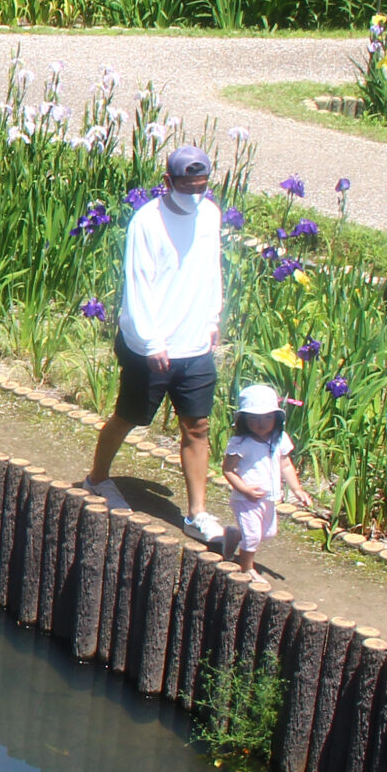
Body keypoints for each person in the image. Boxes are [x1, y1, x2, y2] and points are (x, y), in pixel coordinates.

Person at [83, 144, 224, 544]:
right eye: (187, 185)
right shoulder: (147, 222)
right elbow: (139, 282)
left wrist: (212, 318)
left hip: (194, 343)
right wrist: (152, 341)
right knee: (129, 417)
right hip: (150, 345)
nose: (194, 193)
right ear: (168, 181)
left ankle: (196, 513)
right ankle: (97, 478)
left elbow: (211, 269)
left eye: (201, 185)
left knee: (197, 426)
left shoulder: (210, 215)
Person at [222, 383, 314, 575]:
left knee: (268, 533)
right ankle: (247, 569)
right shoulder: (241, 443)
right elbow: (228, 470)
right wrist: (244, 489)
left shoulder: (279, 439)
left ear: (276, 418)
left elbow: (286, 465)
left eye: (267, 417)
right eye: (254, 418)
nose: (261, 423)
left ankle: (234, 535)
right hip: (246, 498)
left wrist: (297, 489)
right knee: (252, 536)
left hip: (269, 497)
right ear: (244, 419)